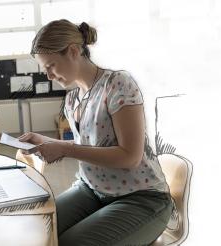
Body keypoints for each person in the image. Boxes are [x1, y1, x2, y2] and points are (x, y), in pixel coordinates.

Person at [18, 19, 173, 246]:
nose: (49, 75)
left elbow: (130, 156)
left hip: (141, 198)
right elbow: (91, 145)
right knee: (34, 232)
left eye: (51, 66)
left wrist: (63, 148)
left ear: (72, 52)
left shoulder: (118, 84)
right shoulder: (72, 99)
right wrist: (46, 141)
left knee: (70, 243)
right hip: (91, 190)